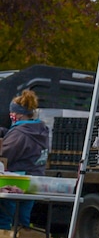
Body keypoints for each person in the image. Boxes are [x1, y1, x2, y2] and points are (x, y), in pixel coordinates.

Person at [0, 89, 50, 230]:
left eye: (13, 113)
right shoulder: (41, 130)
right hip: (34, 182)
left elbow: (5, 155)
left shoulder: (19, 134)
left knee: (5, 218)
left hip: (15, 182)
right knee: (22, 220)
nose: (11, 116)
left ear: (19, 114)